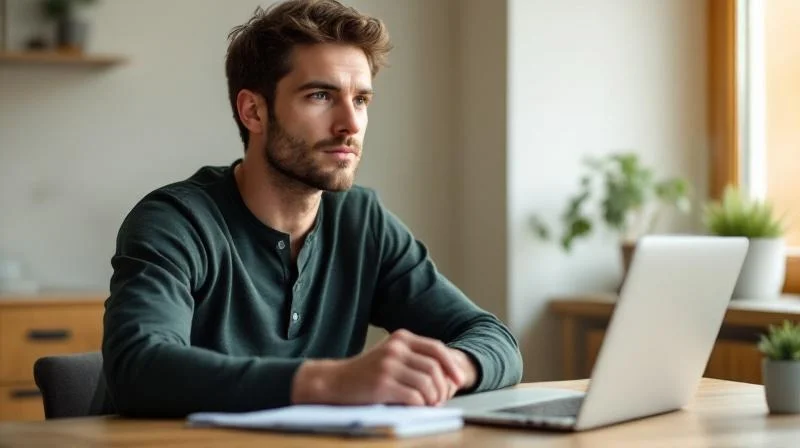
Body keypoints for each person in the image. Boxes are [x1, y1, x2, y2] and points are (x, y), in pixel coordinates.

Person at [102, 0, 522, 417]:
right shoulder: (175, 222)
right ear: (253, 111)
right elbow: (139, 368)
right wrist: (333, 382)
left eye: (360, 100)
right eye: (321, 95)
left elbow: (491, 337)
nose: (350, 124)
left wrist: (450, 369)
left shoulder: (361, 221)